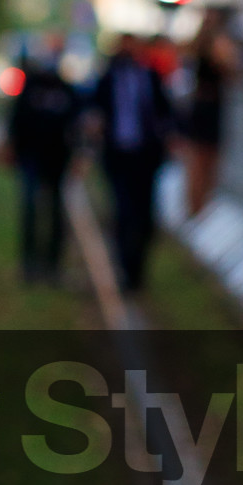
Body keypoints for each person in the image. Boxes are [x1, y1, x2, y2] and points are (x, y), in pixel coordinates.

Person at [91, 31, 175, 292]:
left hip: (146, 157)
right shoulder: (106, 78)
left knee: (145, 216)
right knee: (124, 213)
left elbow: (167, 112)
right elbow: (93, 110)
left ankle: (138, 270)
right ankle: (124, 269)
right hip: (118, 157)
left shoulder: (151, 76)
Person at [6, 36, 82, 280]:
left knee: (56, 213)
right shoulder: (31, 86)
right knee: (30, 210)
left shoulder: (66, 89)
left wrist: (78, 154)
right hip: (31, 157)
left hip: (57, 159)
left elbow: (76, 126)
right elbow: (16, 118)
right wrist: (11, 147)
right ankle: (29, 264)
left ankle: (53, 265)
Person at [180, 6, 240, 217]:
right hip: (207, 108)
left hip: (207, 107)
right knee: (202, 162)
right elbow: (232, 70)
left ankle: (199, 210)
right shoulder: (213, 45)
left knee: (202, 162)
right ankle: (197, 210)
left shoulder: (200, 44)